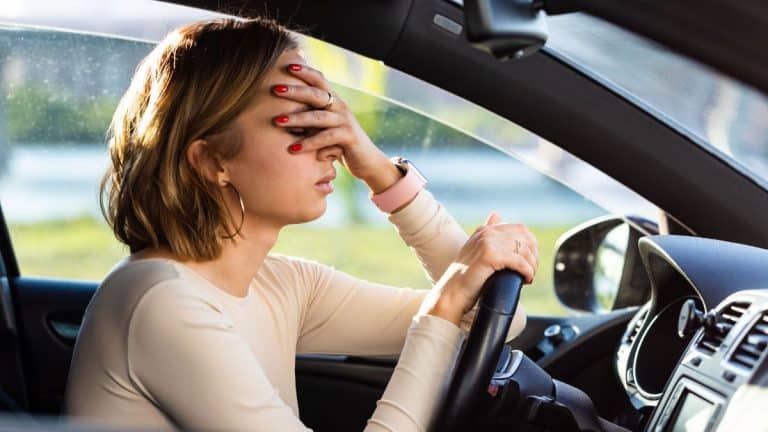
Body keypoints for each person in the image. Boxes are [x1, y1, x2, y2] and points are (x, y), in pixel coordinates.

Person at [64, 17, 539, 431]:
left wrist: (381, 172)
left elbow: (498, 318)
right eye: (300, 128)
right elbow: (458, 307)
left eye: (329, 118)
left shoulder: (283, 285)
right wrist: (447, 298)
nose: (334, 146)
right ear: (212, 160)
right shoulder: (162, 302)